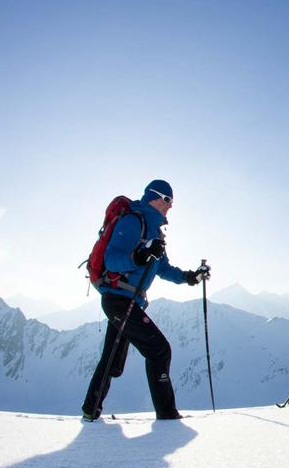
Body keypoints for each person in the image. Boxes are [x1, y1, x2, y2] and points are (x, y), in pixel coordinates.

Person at [82, 180, 210, 421]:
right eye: (168, 200)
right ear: (154, 197)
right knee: (159, 350)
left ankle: (90, 411)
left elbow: (163, 268)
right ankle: (167, 414)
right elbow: (112, 261)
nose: (170, 206)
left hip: (128, 301)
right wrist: (138, 257)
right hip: (119, 299)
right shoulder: (133, 221)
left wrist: (190, 277)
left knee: (112, 360)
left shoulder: (154, 232)